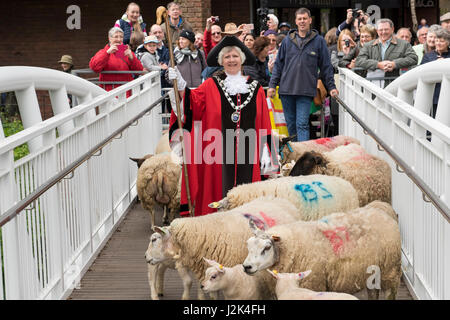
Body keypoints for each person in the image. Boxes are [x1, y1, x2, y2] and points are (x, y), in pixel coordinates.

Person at [167, 36, 278, 216]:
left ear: (241, 59)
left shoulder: (255, 88)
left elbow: (265, 121)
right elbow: (192, 104)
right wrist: (180, 84)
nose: (231, 60)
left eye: (235, 56)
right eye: (227, 57)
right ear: (221, 61)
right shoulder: (210, 85)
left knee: (248, 203)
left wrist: (269, 154)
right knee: (217, 199)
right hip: (217, 155)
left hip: (248, 154)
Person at [268, 8, 338, 142]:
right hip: (286, 90)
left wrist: (331, 87)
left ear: (310, 20)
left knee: (302, 124)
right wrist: (272, 85)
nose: (302, 21)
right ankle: (295, 156)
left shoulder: (319, 41)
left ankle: (303, 156)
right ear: (295, 21)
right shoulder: (287, 41)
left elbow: (326, 67)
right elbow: (278, 65)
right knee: (291, 126)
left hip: (305, 91)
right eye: (299, 19)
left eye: (305, 18)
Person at [355, 18, 418, 85]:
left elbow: (413, 58)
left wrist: (394, 64)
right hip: (373, 85)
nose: (383, 32)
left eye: (386, 29)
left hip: (395, 84)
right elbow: (359, 61)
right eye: (381, 30)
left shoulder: (404, 44)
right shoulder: (368, 45)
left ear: (392, 29)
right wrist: (378, 65)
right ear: (377, 31)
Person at [89, 27, 143, 94]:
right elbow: (94, 67)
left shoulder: (127, 52)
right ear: (109, 38)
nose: (119, 39)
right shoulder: (103, 52)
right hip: (109, 93)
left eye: (121, 37)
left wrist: (132, 58)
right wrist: (107, 53)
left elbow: (139, 71)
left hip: (126, 93)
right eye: (116, 37)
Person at [421, 28, 450, 118]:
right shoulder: (428, 56)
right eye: (437, 40)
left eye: (441, 41)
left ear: (448, 43)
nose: (438, 43)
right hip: (434, 94)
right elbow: (420, 72)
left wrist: (445, 63)